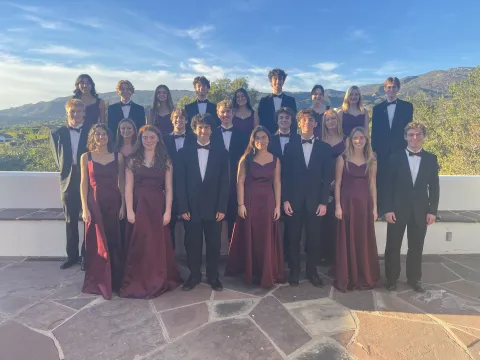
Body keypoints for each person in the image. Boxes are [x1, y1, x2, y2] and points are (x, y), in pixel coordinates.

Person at [120, 125, 181, 299]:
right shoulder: (132, 160)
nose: (148, 141)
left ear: (158, 139)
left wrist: (168, 211)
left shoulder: (165, 160)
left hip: (157, 206)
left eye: (152, 137)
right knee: (140, 243)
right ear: (140, 139)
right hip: (139, 205)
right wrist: (130, 211)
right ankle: (138, 279)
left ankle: (158, 278)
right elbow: (128, 188)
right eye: (145, 138)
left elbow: (169, 188)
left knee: (156, 244)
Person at [225, 126, 285, 288]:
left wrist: (278, 206)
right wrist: (241, 204)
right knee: (252, 236)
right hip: (250, 202)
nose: (261, 140)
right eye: (257, 138)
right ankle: (251, 272)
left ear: (269, 139)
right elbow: (240, 182)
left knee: (266, 236)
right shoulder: (246, 159)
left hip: (268, 202)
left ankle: (266, 271)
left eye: (264, 137)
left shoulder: (275, 159)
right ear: (253, 140)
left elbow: (277, 183)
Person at [384, 122, 439, 293]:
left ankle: (414, 279)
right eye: (411, 134)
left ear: (424, 136)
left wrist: (432, 211)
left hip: (420, 211)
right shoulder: (394, 157)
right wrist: (388, 209)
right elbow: (387, 186)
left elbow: (434, 186)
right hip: (397, 210)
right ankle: (391, 279)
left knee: (416, 247)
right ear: (405, 137)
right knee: (393, 246)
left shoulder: (431, 158)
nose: (414, 137)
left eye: (418, 134)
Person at [176, 114, 229, 292]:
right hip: (191, 208)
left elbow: (225, 182)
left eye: (206, 127)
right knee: (192, 244)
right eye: (200, 127)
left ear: (212, 130)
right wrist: (182, 207)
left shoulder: (221, 152)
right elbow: (180, 182)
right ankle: (194, 275)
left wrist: (222, 207)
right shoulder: (184, 152)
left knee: (214, 244)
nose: (203, 130)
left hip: (214, 208)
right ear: (194, 129)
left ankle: (213, 277)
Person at [282, 109, 333, 287]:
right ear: (299, 123)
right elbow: (285, 176)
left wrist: (323, 201)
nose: (307, 123)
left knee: (314, 240)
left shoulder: (325, 149)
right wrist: (285, 199)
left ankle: (312, 272)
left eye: (310, 120)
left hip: (315, 202)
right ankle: (294, 272)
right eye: (303, 120)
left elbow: (327, 179)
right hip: (293, 201)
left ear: (315, 124)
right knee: (293, 239)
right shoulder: (290, 146)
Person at [80, 124, 125, 299]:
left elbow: (121, 182)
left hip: (114, 203)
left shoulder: (118, 156)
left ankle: (114, 280)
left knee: (113, 241)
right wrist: (84, 208)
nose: (101, 137)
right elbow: (83, 185)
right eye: (97, 134)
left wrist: (123, 206)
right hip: (95, 204)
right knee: (97, 243)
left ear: (109, 137)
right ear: (93, 137)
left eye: (104, 134)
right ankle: (99, 280)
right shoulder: (86, 157)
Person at [333, 126, 380, 292]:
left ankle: (363, 273)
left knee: (363, 238)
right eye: (356, 138)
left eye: (362, 138)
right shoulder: (342, 159)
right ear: (350, 140)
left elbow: (373, 185)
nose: (359, 141)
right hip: (346, 204)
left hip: (364, 205)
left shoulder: (371, 159)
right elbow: (337, 184)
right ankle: (348, 275)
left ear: (366, 140)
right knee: (348, 238)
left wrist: (375, 208)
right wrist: (337, 206)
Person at [50, 99, 90, 270]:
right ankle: (71, 256)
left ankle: (86, 257)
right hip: (67, 181)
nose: (75, 115)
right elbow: (57, 158)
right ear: (67, 113)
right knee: (70, 220)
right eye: (72, 112)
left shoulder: (91, 132)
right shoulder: (57, 133)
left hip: (87, 179)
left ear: (84, 113)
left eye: (78, 111)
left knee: (88, 219)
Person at [371, 77, 414, 215]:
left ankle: (397, 208)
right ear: (384, 89)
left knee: (398, 178)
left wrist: (408, 148)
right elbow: (375, 131)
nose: (391, 89)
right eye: (388, 87)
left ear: (398, 89)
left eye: (394, 87)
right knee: (382, 178)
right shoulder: (377, 109)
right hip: (382, 150)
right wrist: (373, 150)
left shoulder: (407, 107)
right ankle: (382, 208)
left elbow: (408, 129)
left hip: (399, 148)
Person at [212, 100, 249, 240]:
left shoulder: (243, 135)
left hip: (236, 182)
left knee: (235, 221)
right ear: (218, 113)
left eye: (228, 111)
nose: (225, 114)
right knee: (215, 221)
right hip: (215, 184)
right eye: (222, 112)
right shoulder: (211, 134)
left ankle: (234, 256)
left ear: (233, 113)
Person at [163, 108, 197, 248]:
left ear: (186, 120)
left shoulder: (194, 138)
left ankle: (192, 264)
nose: (179, 120)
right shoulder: (163, 140)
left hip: (190, 188)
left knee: (191, 228)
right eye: (176, 117)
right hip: (168, 185)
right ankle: (170, 261)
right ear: (172, 120)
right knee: (168, 225)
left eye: (182, 117)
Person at [268, 107, 297, 261]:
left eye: (287, 117)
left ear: (291, 121)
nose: (284, 120)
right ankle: (274, 255)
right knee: (274, 220)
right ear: (277, 121)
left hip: (293, 186)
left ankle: (288, 256)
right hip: (273, 185)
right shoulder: (269, 140)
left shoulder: (298, 139)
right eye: (281, 118)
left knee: (292, 224)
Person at [319, 110, 345, 266]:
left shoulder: (346, 139)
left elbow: (349, 162)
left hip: (341, 183)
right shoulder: (320, 140)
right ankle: (322, 254)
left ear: (338, 120)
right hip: (322, 184)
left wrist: (338, 181)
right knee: (323, 221)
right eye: (327, 119)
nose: (330, 122)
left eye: (333, 119)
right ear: (324, 122)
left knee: (337, 220)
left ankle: (337, 254)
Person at [258, 68, 297, 134]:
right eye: (275, 79)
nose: (278, 81)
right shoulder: (263, 101)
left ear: (283, 82)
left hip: (287, 136)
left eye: (280, 79)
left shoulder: (291, 101)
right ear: (271, 82)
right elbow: (260, 121)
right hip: (268, 136)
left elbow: (293, 121)